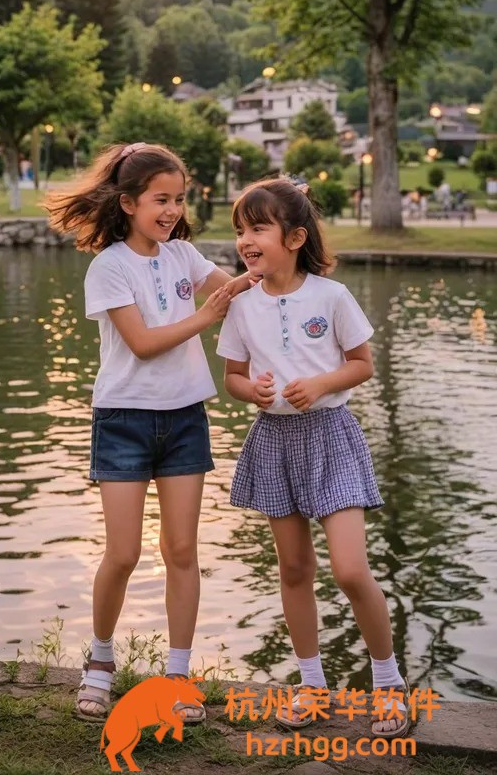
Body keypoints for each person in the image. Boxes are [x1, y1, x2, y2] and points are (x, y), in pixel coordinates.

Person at [45, 141, 253, 723]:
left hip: (186, 417)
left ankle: (179, 674)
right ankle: (100, 662)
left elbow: (237, 292)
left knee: (182, 550)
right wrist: (205, 316)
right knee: (124, 552)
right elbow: (141, 343)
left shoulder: (183, 254)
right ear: (129, 203)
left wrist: (274, 265)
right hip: (124, 420)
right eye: (161, 199)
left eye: (179, 199)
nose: (172, 210)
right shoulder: (109, 266)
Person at [216, 178, 409, 740]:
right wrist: (251, 392)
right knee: (295, 569)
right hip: (274, 441)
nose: (245, 240)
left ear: (295, 237)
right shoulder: (241, 304)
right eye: (240, 230)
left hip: (331, 437)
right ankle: (311, 684)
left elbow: (361, 364)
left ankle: (388, 682)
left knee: (349, 569)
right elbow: (232, 376)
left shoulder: (331, 296)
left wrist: (322, 383)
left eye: (258, 229)